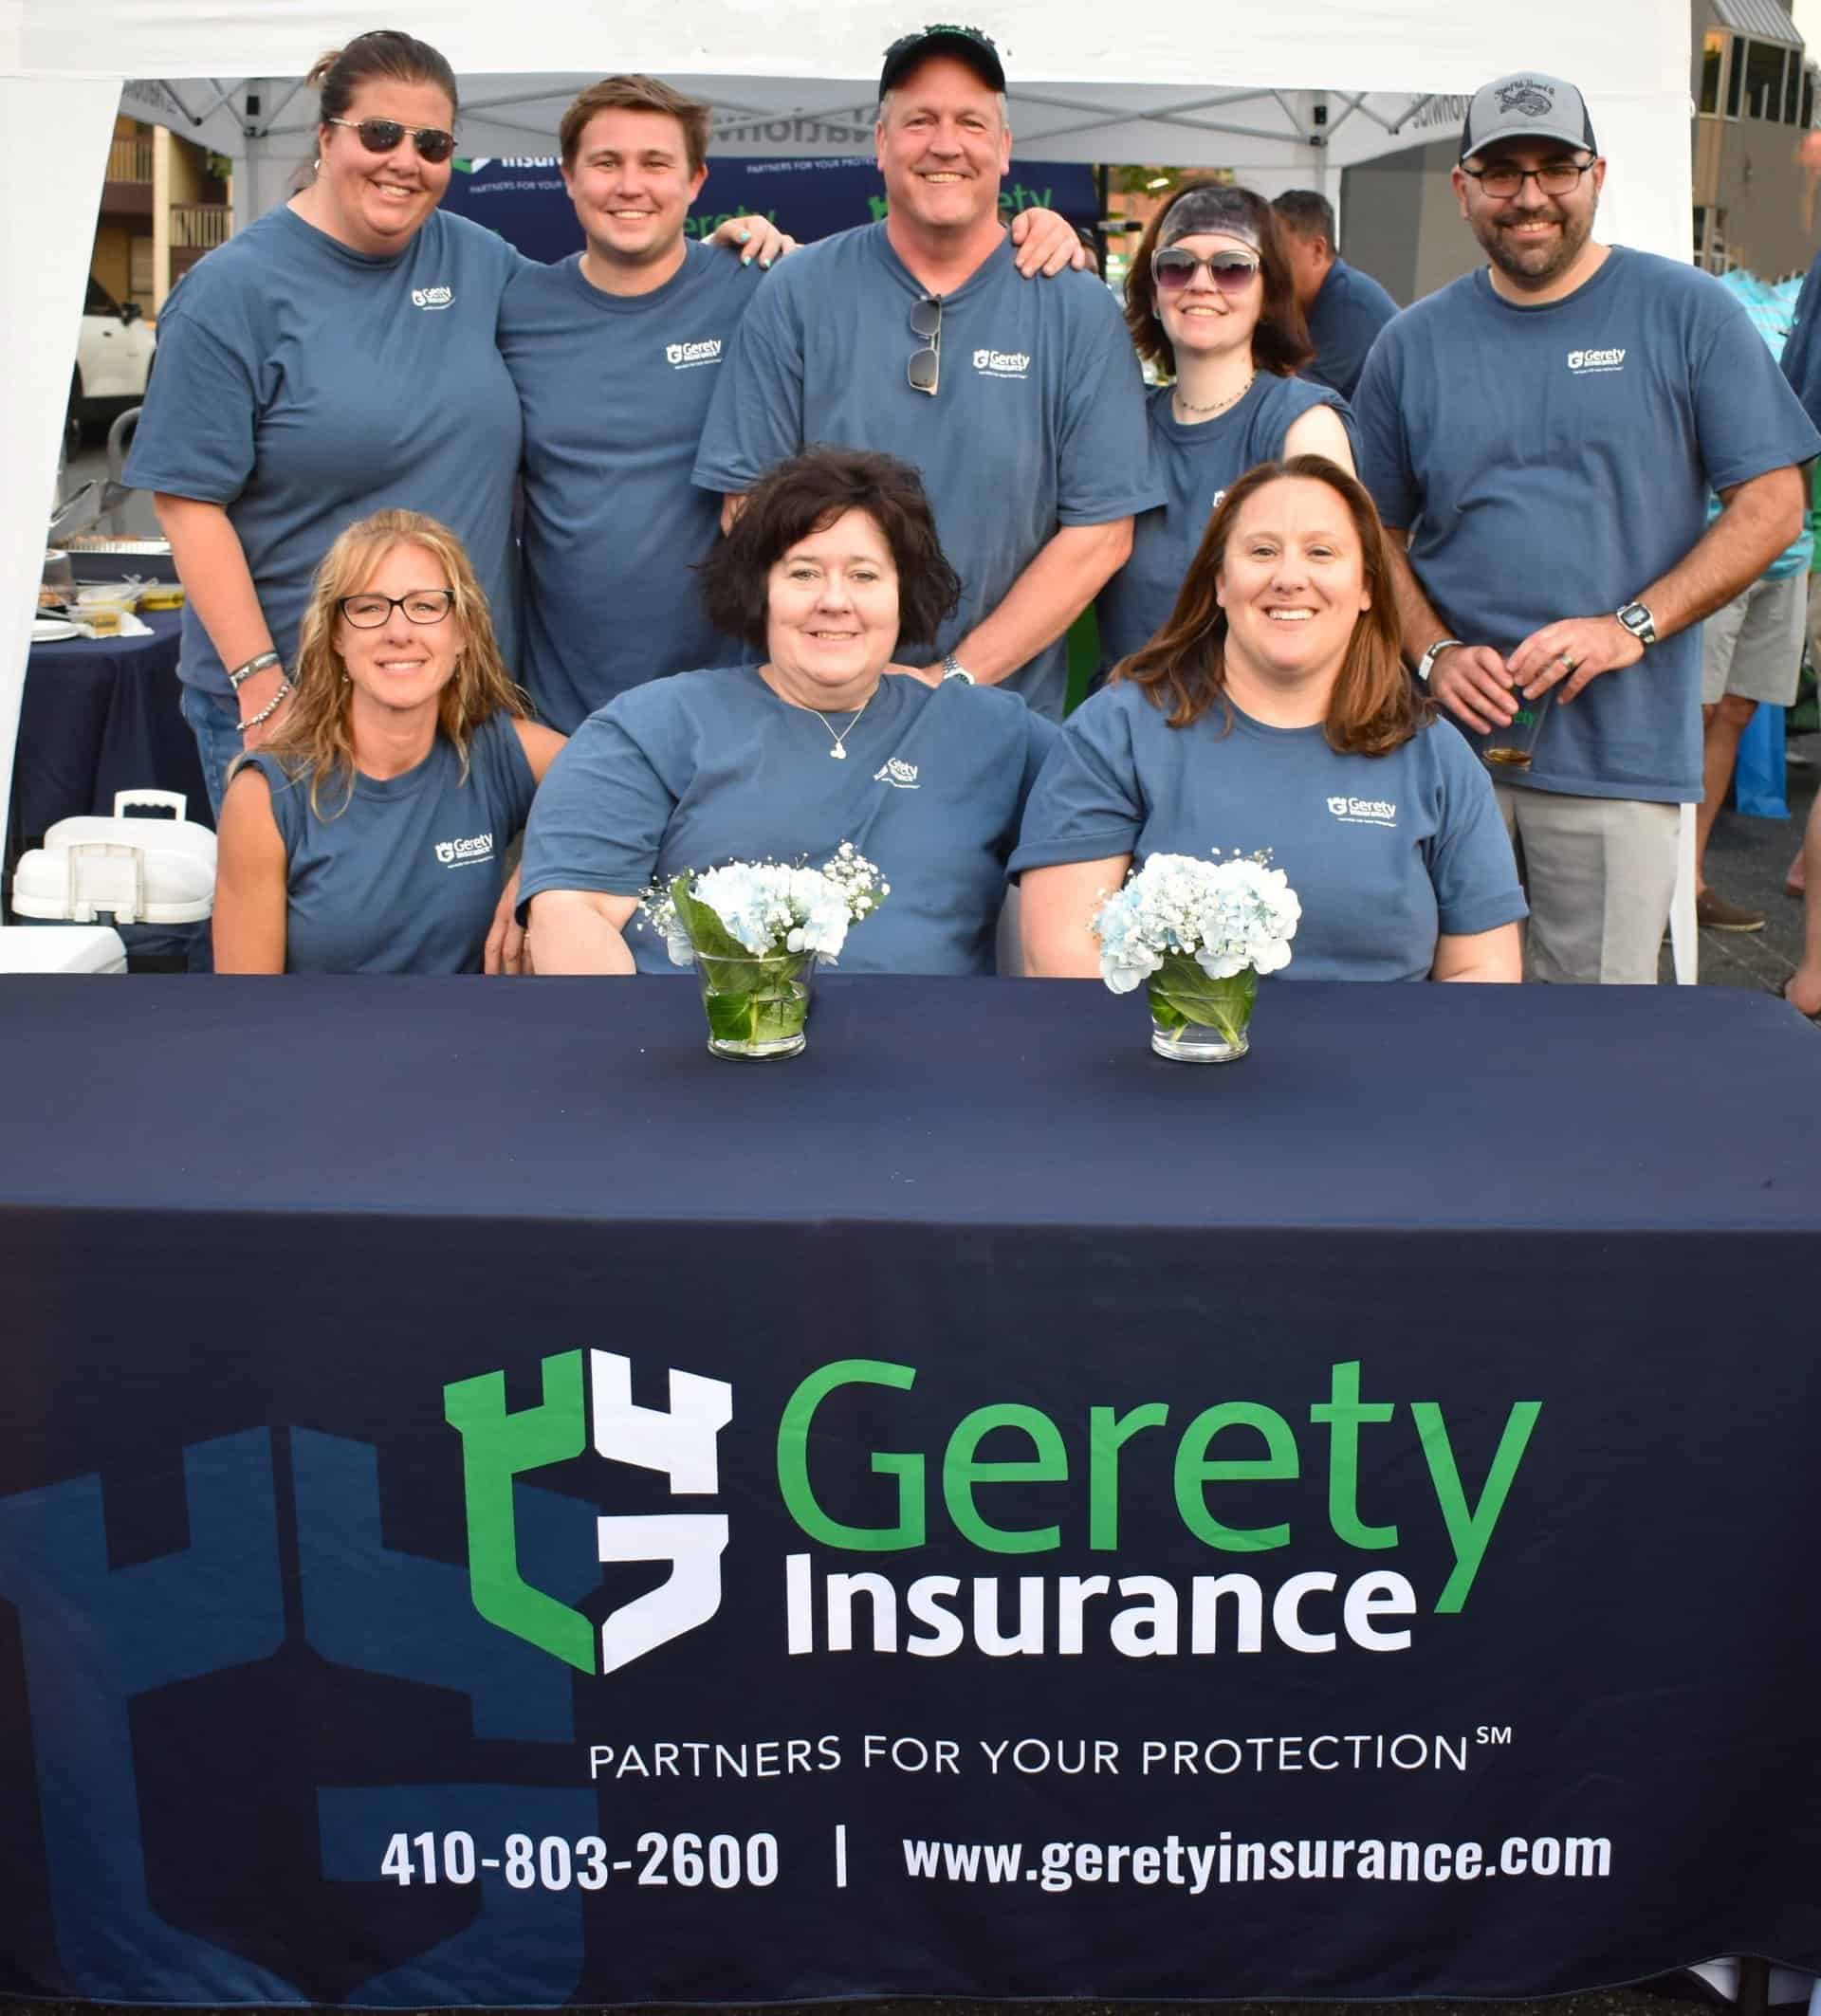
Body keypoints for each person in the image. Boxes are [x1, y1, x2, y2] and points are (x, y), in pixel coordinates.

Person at [125, 32, 786, 812]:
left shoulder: (477, 261)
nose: (403, 160)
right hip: (303, 697)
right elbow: (185, 502)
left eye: (431, 143)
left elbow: (612, 304)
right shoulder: (232, 291)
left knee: (457, 930)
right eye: (379, 134)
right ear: (326, 136)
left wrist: (723, 253)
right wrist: (260, 685)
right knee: (303, 929)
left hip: (458, 700)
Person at [1353, 70, 1821, 984]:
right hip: (1439, 750)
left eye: (1555, 168)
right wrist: (1435, 654)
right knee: (1424, 1006)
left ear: (1596, 176)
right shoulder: (1411, 343)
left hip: (1620, 753)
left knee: (1590, 1027)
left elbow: (1773, 503)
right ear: (1463, 188)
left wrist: (1628, 628)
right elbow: (1375, 532)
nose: (1529, 196)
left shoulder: (1685, 312)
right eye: (1500, 171)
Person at [500, 72, 1094, 734]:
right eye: (606, 163)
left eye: (656, 163)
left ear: (696, 181)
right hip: (559, 705)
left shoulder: (761, 283)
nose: (630, 185)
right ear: (567, 176)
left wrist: (1037, 228)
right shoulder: (516, 306)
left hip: (737, 700)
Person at [691, 26, 1160, 722]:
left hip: (998, 729)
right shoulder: (797, 290)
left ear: (1003, 149)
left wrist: (952, 679)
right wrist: (853, 669)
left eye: (971, 122)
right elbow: (747, 508)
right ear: (881, 142)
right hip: (809, 716)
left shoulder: (1076, 307)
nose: (946, 144)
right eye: (920, 121)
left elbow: (1100, 535)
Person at [519, 449, 1055, 974]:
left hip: (932, 1051)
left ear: (902, 595)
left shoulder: (992, 730)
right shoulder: (650, 727)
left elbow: (1121, 803)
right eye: (804, 574)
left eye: (865, 576)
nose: (834, 601)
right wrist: (641, 1054)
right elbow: (573, 915)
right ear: (761, 592)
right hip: (711, 1048)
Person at [1013, 458, 1525, 983]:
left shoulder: (1435, 756)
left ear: (1368, 587)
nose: (1289, 579)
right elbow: (1062, 961)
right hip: (1175, 1058)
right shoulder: (1116, 732)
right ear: (1219, 581)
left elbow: (1483, 970)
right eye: (1262, 552)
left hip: (1386, 1061)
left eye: (1321, 553)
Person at [212, 510, 563, 974]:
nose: (399, 632)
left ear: (462, 632)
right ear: (335, 635)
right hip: (320, 1043)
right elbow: (246, 1011)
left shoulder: (496, 753)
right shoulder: (265, 797)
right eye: (370, 608)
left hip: (472, 1039)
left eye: (425, 607)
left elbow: (626, 792)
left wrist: (544, 871)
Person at [1095, 181, 1356, 677]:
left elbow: (1327, 607)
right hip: (1121, 728)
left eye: (1232, 269)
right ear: (1154, 294)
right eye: (1176, 266)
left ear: (1269, 298)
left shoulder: (1303, 426)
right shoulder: (1122, 423)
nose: (1200, 282)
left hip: (1244, 732)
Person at [1691, 274, 1813, 932]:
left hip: (1791, 551)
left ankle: (1692, 878)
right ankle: (1659, 878)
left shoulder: (1805, 303)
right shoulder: (1714, 299)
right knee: (1695, 710)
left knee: (1736, 711)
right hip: (1719, 542)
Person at [1270, 190, 1398, 402]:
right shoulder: (1308, 300)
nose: (1269, 267)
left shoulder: (1351, 303)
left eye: (1278, 254)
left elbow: (1296, 397)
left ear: (1318, 250)